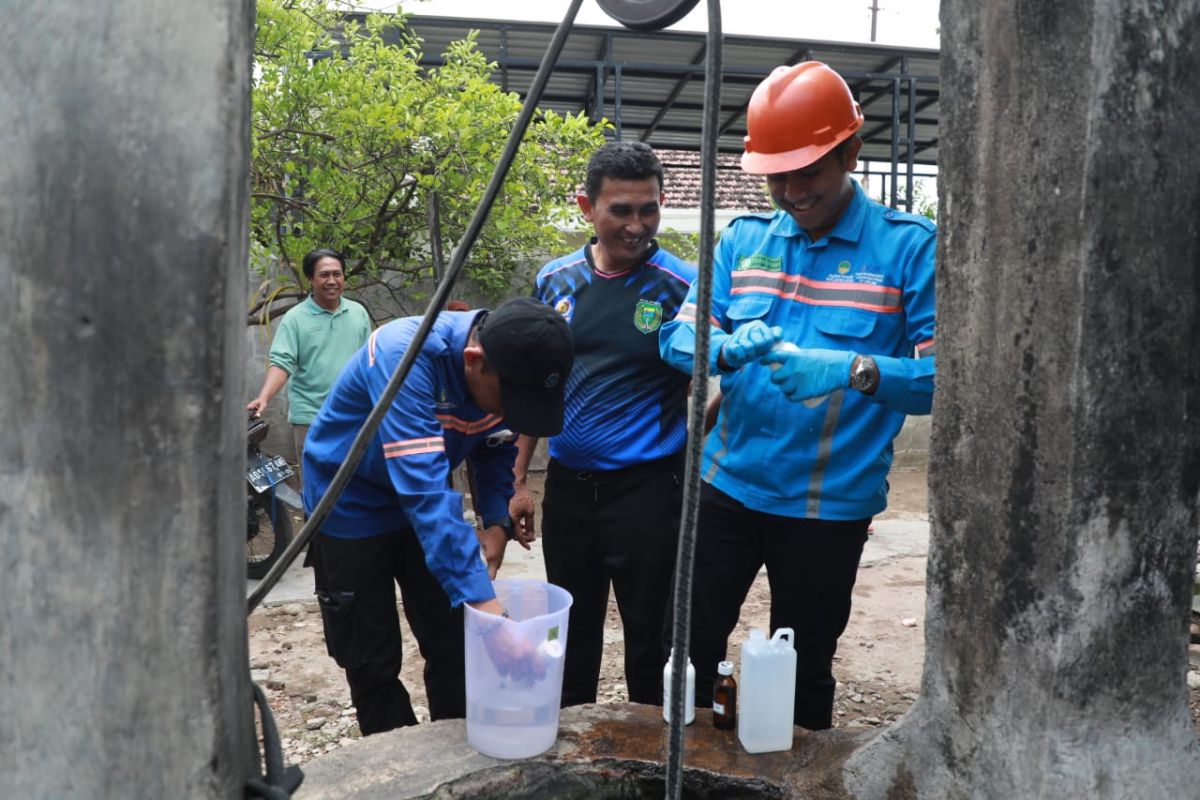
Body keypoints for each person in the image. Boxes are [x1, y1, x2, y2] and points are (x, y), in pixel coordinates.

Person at [660, 61, 936, 731]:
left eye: (807, 171)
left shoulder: (909, 250)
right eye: (775, 175)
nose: (790, 190)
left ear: (850, 151)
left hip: (827, 508)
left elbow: (942, 380)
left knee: (804, 663)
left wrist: (853, 369)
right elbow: (679, 334)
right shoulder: (743, 242)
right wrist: (717, 349)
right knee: (691, 650)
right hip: (726, 488)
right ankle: (688, 770)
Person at [301, 297, 573, 735]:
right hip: (349, 504)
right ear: (474, 360)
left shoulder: (502, 369)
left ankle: (456, 751)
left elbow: (495, 444)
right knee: (371, 654)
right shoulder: (403, 355)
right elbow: (426, 493)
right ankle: (399, 760)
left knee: (454, 639)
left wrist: (495, 524)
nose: (507, 413)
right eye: (507, 401)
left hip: (418, 501)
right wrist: (491, 611)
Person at [510, 141, 697, 707]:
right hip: (568, 489)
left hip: (648, 492)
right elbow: (536, 388)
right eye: (621, 210)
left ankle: (648, 757)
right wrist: (517, 481)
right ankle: (570, 754)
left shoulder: (682, 286)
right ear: (586, 207)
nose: (638, 225)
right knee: (568, 633)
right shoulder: (555, 281)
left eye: (649, 209)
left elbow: (707, 382)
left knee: (652, 640)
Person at [247, 248, 372, 470]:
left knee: (356, 486)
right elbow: (281, 362)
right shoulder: (295, 318)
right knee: (317, 490)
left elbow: (368, 362)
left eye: (337, 274)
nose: (332, 281)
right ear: (310, 279)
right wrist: (264, 398)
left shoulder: (358, 313)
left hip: (354, 416)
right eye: (324, 275)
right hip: (312, 419)